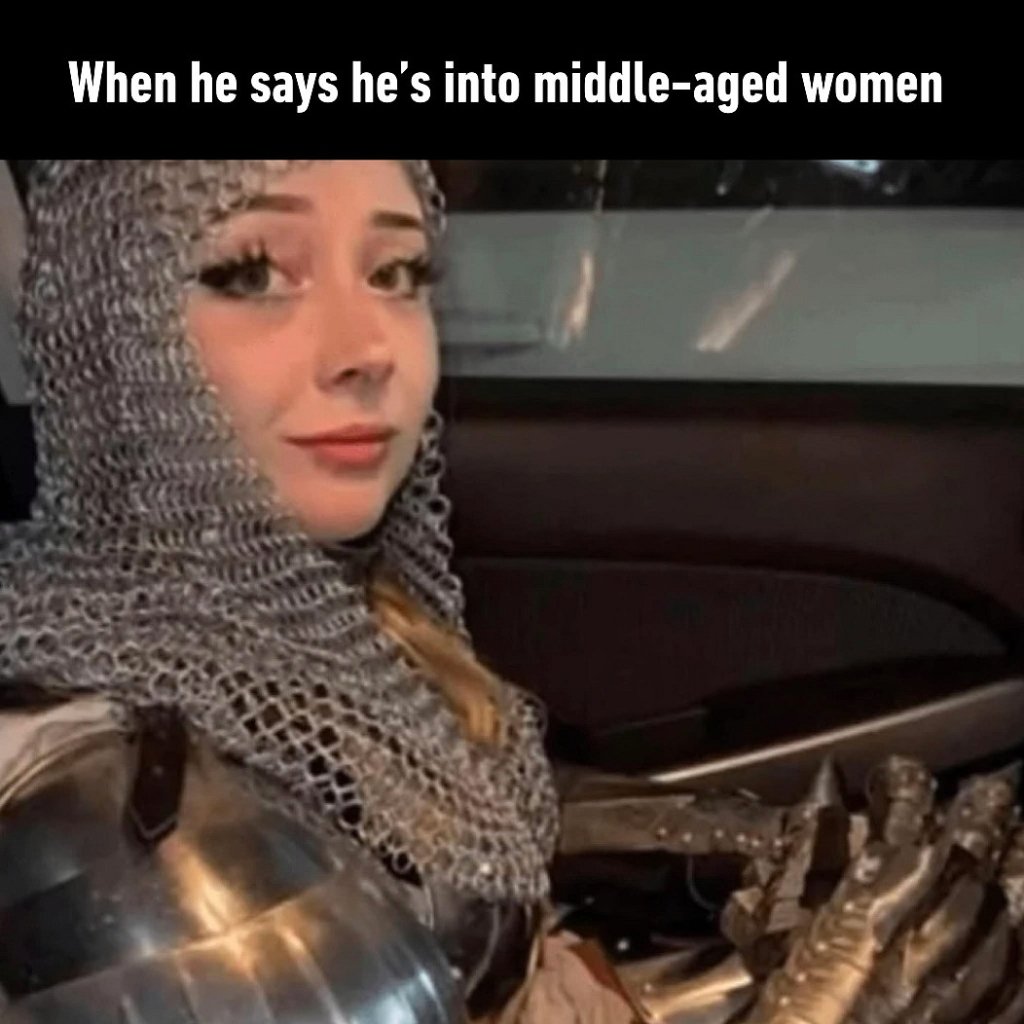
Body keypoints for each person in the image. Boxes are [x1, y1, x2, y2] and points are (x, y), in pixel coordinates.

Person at [2, 159, 1024, 1024]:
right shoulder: (106, 818)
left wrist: (717, 843)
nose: (368, 350)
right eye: (251, 272)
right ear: (105, 335)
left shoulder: (308, 621)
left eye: (396, 272)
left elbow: (434, 810)